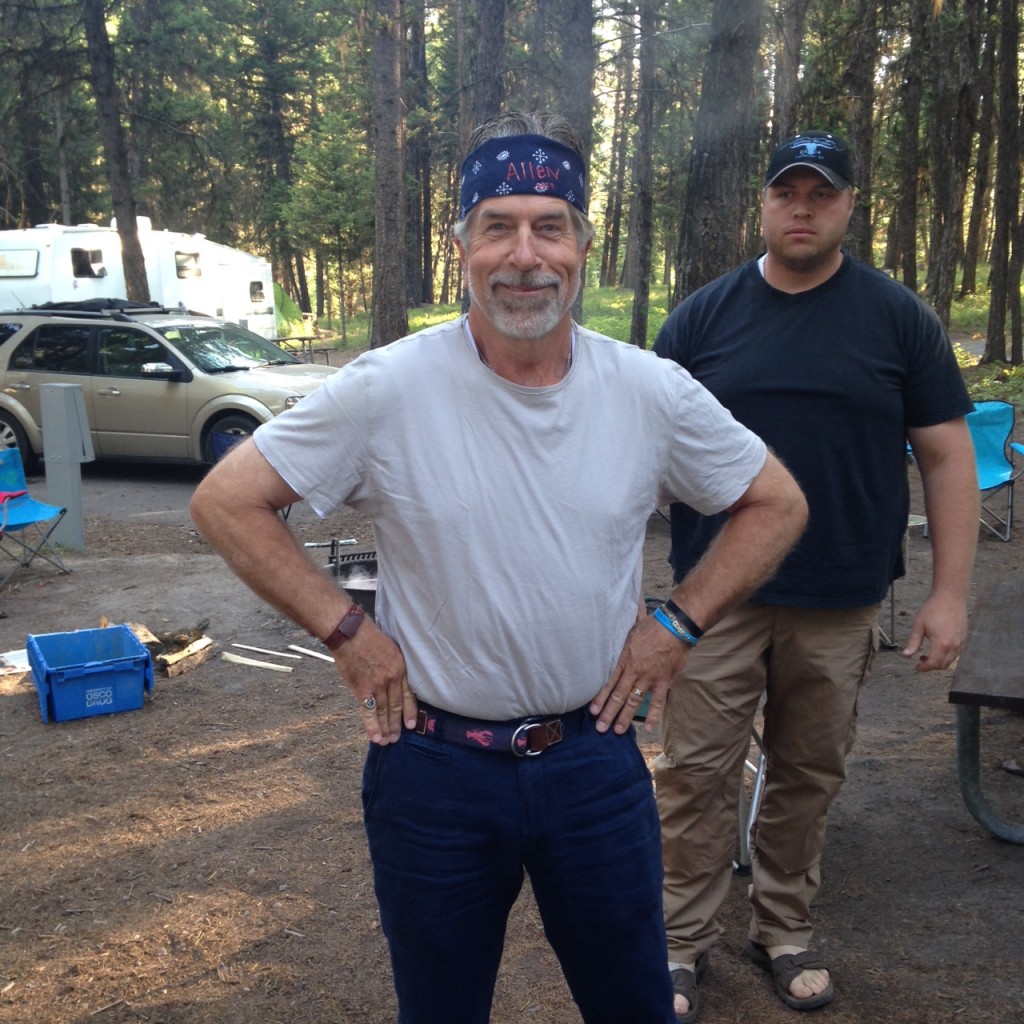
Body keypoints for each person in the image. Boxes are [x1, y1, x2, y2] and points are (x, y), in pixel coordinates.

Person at [189, 110, 808, 1024]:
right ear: (462, 247)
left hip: (592, 764)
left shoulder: (646, 390)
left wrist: (676, 624)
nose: (526, 255)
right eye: (499, 226)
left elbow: (777, 502)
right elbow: (226, 500)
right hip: (433, 770)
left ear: (583, 245)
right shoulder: (387, 387)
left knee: (634, 1004)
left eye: (549, 225)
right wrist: (346, 630)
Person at [652, 129, 979, 1021]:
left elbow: (948, 458)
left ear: (848, 207)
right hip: (715, 596)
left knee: (808, 769)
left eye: (821, 194)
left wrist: (949, 593)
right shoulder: (702, 319)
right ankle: (678, 942)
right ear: (762, 204)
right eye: (786, 192)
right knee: (695, 772)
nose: (802, 208)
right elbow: (639, 456)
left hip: (839, 595)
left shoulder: (897, 318)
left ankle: (784, 926)